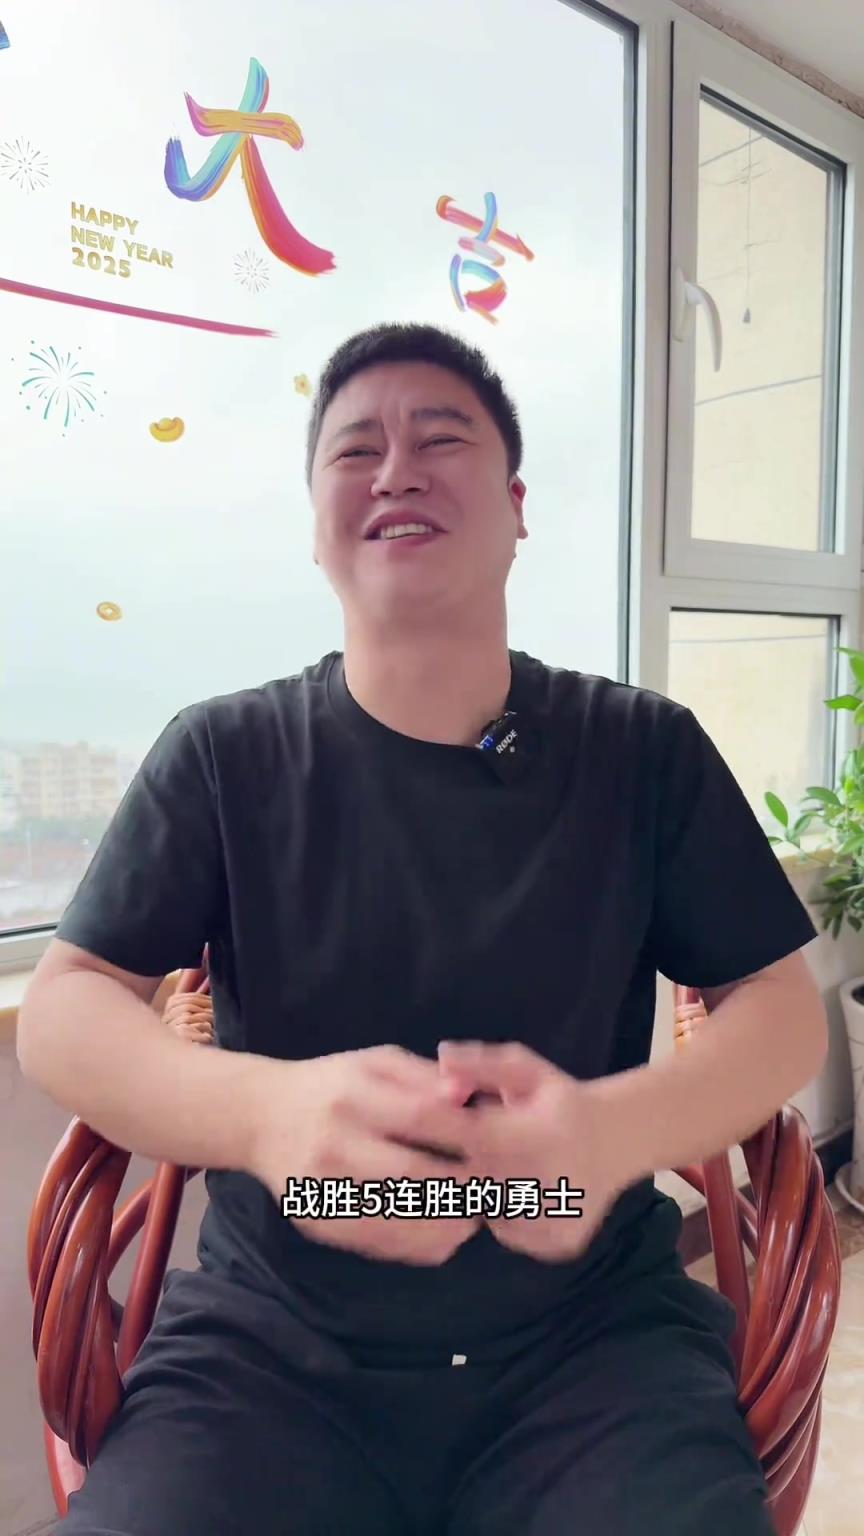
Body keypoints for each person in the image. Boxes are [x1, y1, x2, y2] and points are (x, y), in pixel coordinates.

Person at [18, 322, 826, 1536]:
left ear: (515, 510)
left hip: (594, 1347)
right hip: (267, 1351)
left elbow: (779, 1011)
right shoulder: (224, 756)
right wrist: (264, 1113)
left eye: (440, 440)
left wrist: (613, 1132)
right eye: (356, 450)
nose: (396, 469)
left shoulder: (640, 751)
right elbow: (67, 1009)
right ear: (317, 527)